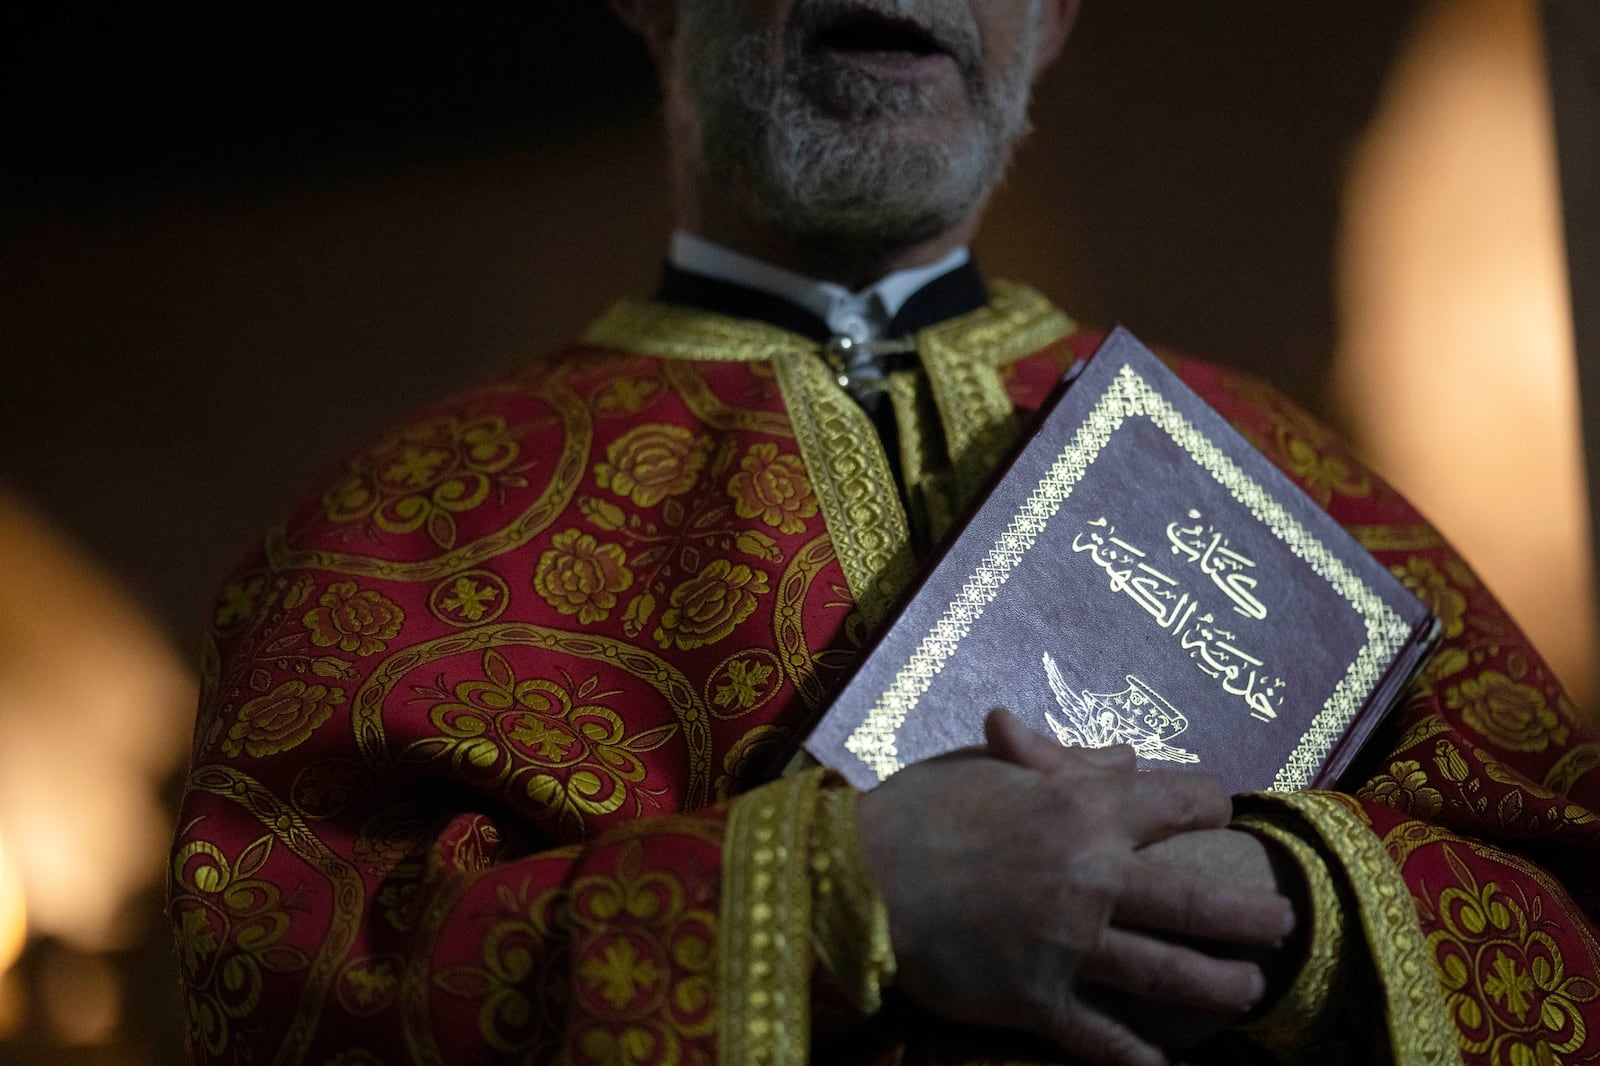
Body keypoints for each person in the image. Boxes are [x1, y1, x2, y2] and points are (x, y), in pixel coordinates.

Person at [167, 2, 1600, 1064]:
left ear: (1050, 21)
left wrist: (1281, 896)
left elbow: (1569, 919)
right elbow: (289, 977)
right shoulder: (403, 527)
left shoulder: (1284, 468)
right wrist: (843, 897)